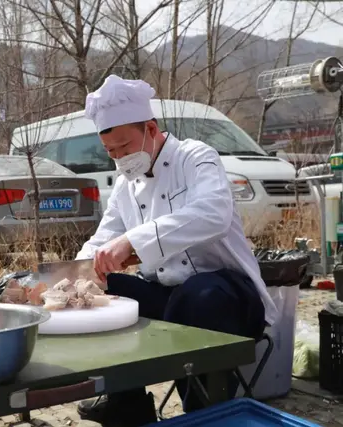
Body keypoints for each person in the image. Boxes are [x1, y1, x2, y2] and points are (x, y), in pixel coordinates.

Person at [73, 75, 279, 427]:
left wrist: (133, 241)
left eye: (125, 147)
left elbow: (212, 213)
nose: (120, 158)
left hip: (227, 296)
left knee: (198, 295)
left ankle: (202, 410)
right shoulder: (125, 186)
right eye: (112, 152)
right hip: (167, 297)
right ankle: (127, 401)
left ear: (150, 129)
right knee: (99, 290)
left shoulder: (196, 157)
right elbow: (102, 239)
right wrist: (75, 272)